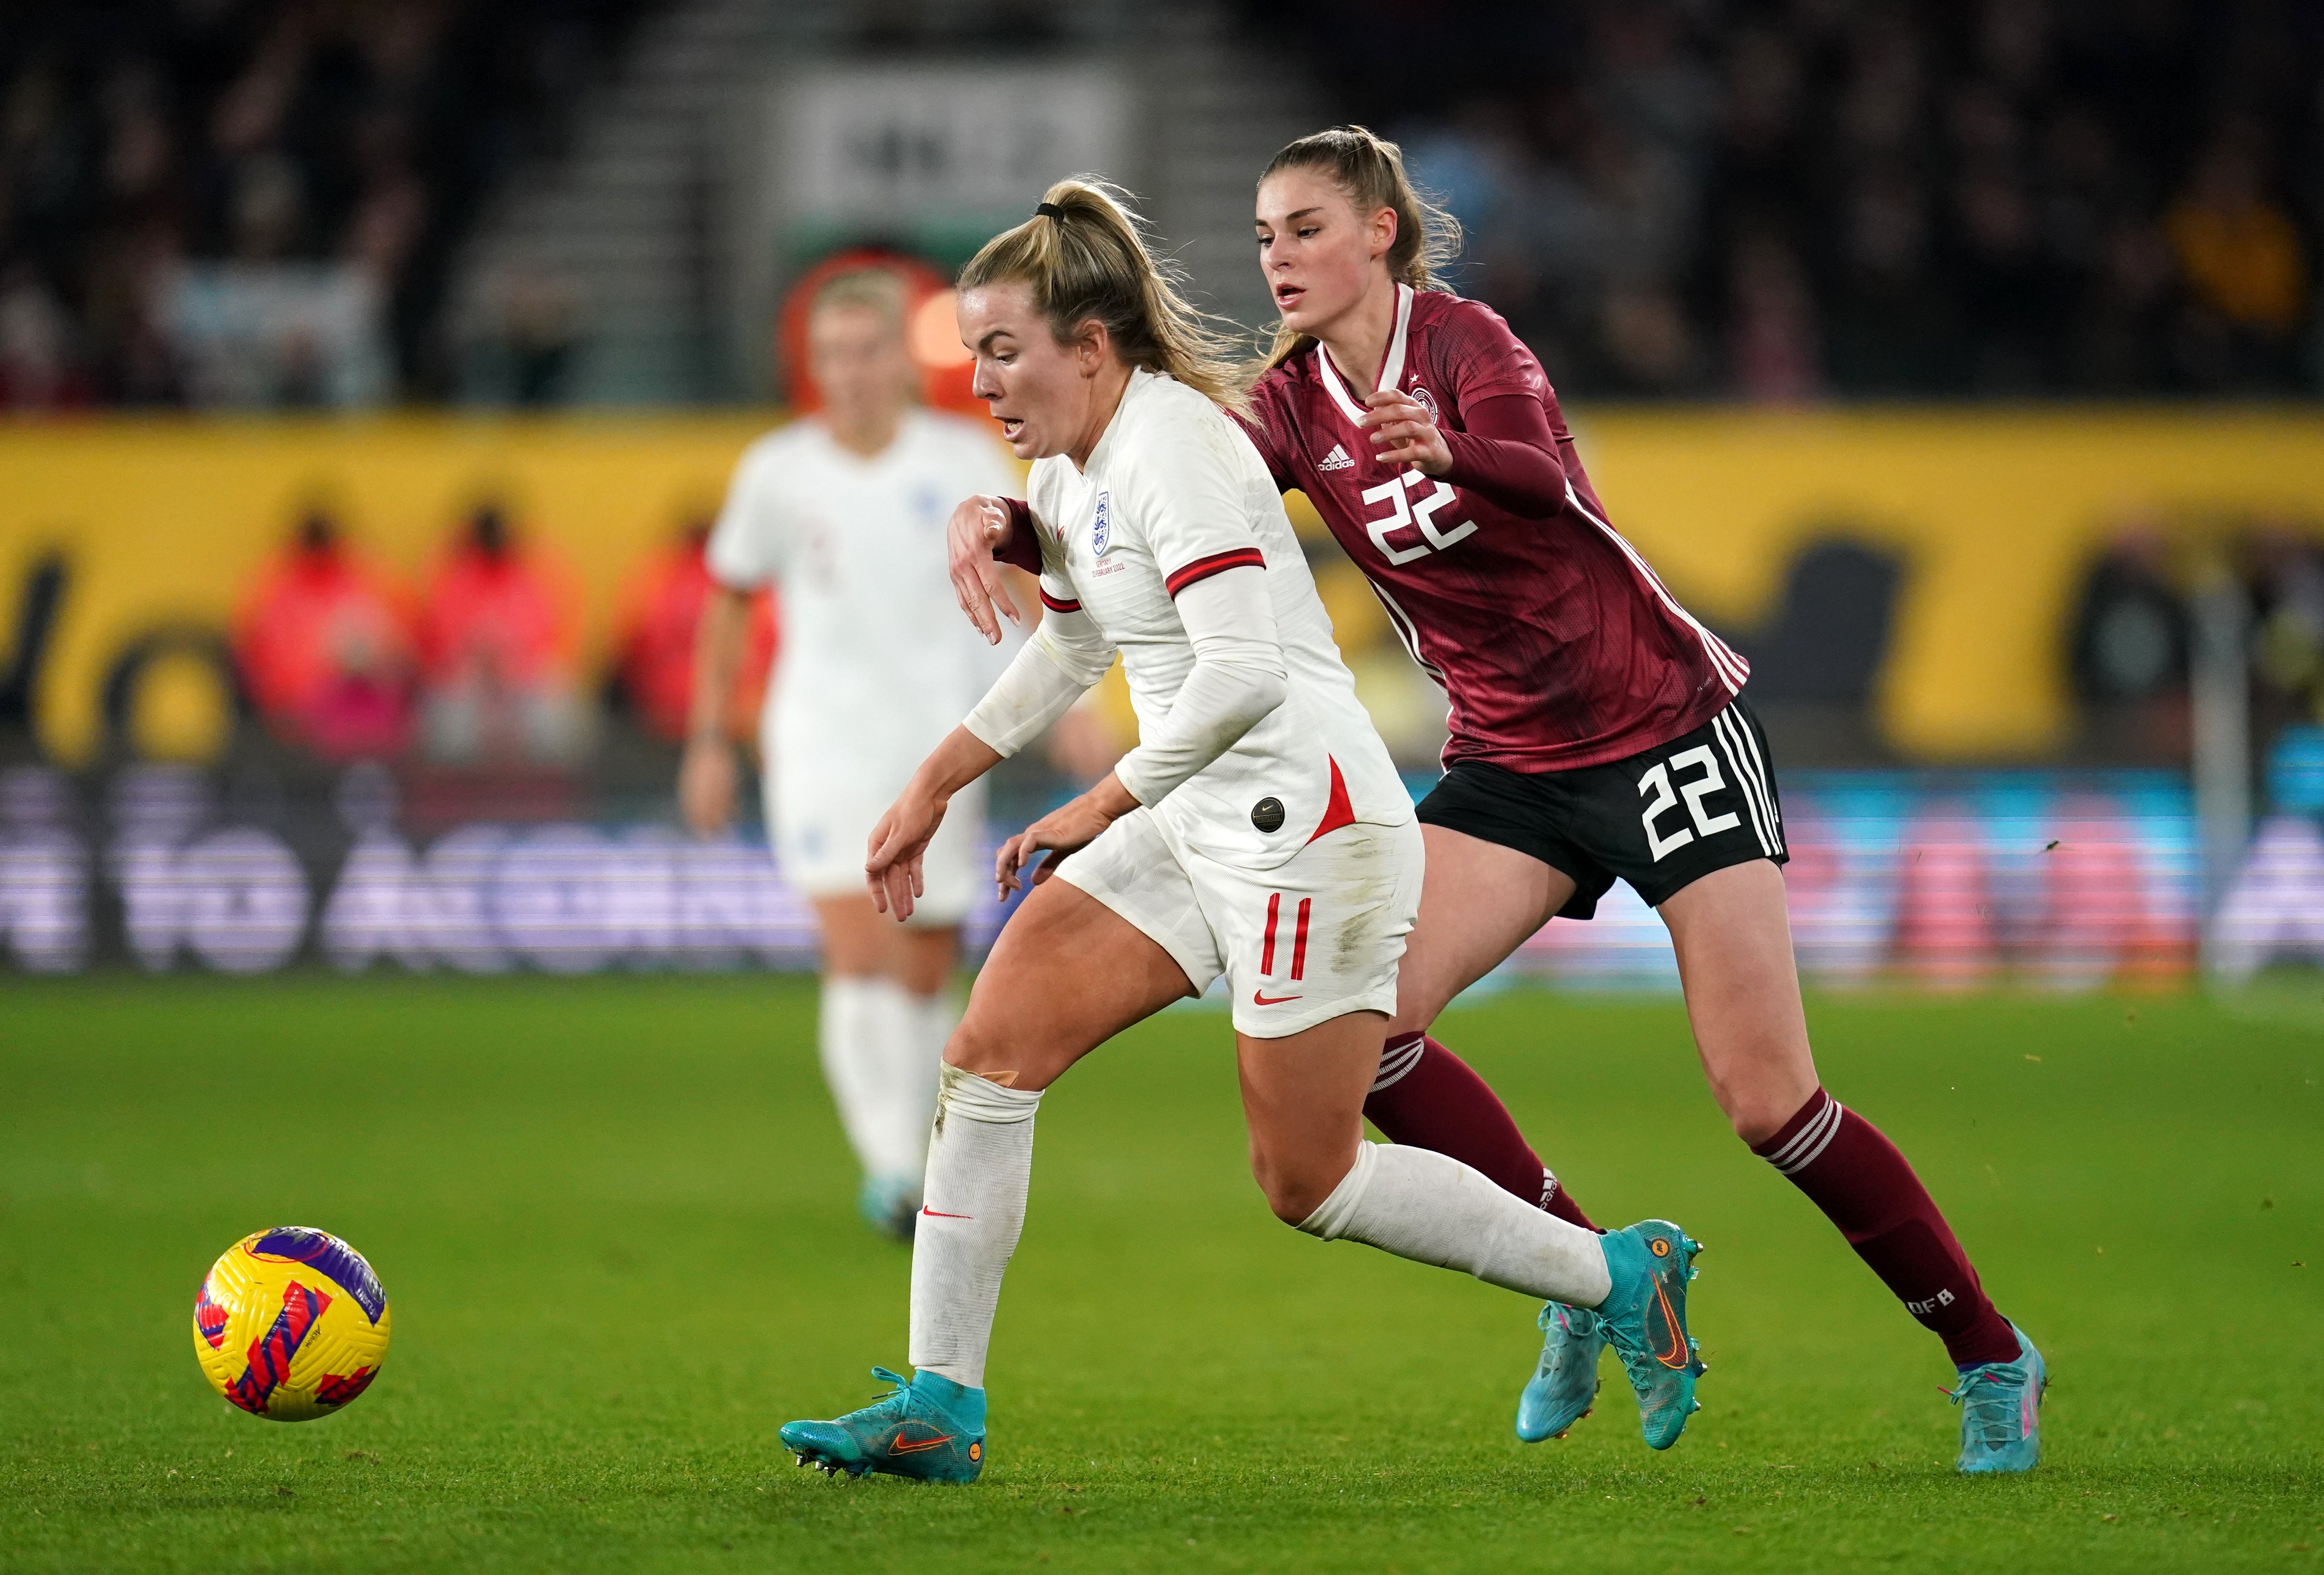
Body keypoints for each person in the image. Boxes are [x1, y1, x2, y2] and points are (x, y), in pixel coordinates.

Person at [955, 127, 2045, 1477]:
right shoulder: (1289, 407)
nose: (1277, 258)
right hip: (1513, 766)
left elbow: (1543, 475)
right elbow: (1167, 499)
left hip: (1664, 733)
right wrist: (1025, 529)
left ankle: (1987, 1351)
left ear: (1381, 238)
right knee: (1376, 1032)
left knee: (1766, 1100)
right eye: (1260, 236)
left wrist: (1457, 453)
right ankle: (1590, 1280)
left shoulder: (1467, 346)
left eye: (1304, 228)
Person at [778, 181, 1706, 1487]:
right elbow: (1080, 640)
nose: (979, 378)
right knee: (991, 1051)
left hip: (1303, 829)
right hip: (1202, 810)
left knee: (1308, 1181)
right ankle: (942, 1400)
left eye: (1001, 349)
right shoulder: (1068, 462)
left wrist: (1101, 802)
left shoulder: (1174, 449)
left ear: (1090, 346)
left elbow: (1243, 678)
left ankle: (1617, 1269)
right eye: (975, 349)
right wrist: (937, 779)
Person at [680, 268, 1032, 1238]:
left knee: (922, 963)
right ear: (812, 366)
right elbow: (728, 597)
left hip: (942, 738)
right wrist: (711, 739)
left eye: (865, 350)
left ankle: (914, 1159)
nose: (849, 372)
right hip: (820, 741)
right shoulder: (777, 472)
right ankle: (891, 1171)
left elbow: (1022, 580)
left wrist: (1068, 687)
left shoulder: (963, 457)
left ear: (900, 359)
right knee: (857, 946)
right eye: (829, 355)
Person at [233, 505, 417, 760]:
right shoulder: (273, 586)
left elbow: (402, 649)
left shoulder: (366, 577)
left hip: (366, 712)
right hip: (294, 718)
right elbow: (251, 660)